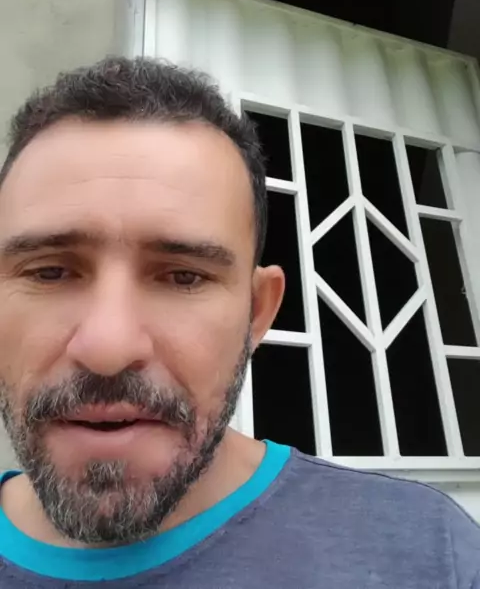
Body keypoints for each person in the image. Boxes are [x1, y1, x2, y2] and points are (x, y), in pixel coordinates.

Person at [0, 56, 477, 588]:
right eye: (49, 272)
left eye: (183, 276)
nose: (108, 347)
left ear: (258, 312)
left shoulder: (432, 555)